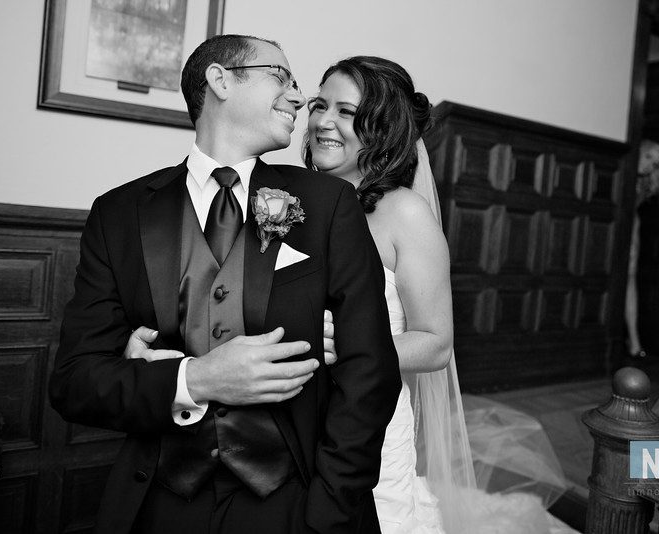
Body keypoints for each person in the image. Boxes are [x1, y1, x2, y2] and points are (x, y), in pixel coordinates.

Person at [48, 35, 401, 534]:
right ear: (220, 81)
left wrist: (328, 510)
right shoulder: (118, 214)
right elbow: (75, 383)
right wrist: (196, 380)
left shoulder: (329, 204)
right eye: (280, 77)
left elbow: (372, 371)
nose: (299, 97)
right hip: (163, 497)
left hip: (295, 498)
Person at [303, 56, 569, 534]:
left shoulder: (404, 214)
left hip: (367, 423)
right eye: (319, 105)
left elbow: (435, 344)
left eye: (345, 111)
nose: (323, 121)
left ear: (382, 129)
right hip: (293, 416)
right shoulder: (294, 201)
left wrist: (348, 347)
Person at [625, 139, 659, 358]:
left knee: (630, 280)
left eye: (656, 163)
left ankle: (634, 341)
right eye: (648, 157)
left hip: (632, 227)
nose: (650, 165)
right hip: (617, 225)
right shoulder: (623, 171)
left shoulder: (644, 183)